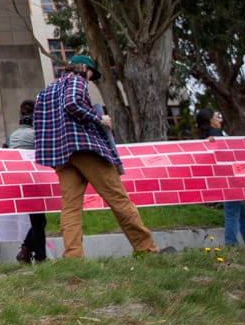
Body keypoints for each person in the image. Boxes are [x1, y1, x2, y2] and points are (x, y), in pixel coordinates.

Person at [34, 55, 161, 258]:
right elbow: (72, 103)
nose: (90, 79)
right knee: (118, 198)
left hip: (62, 156)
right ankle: (146, 248)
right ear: (84, 68)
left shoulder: (46, 91)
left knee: (70, 207)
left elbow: (41, 125)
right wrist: (99, 119)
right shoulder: (77, 80)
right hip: (86, 149)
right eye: (91, 74)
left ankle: (73, 256)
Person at [196, 108, 245, 248]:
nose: (219, 119)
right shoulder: (215, 134)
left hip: (224, 178)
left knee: (242, 213)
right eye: (216, 116)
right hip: (229, 179)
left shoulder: (208, 136)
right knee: (232, 211)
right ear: (211, 120)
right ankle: (231, 243)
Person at [6, 100, 47, 264]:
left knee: (39, 220)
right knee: (38, 221)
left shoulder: (12, 136)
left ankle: (26, 250)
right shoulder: (37, 135)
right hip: (34, 180)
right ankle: (40, 257)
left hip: (17, 181)